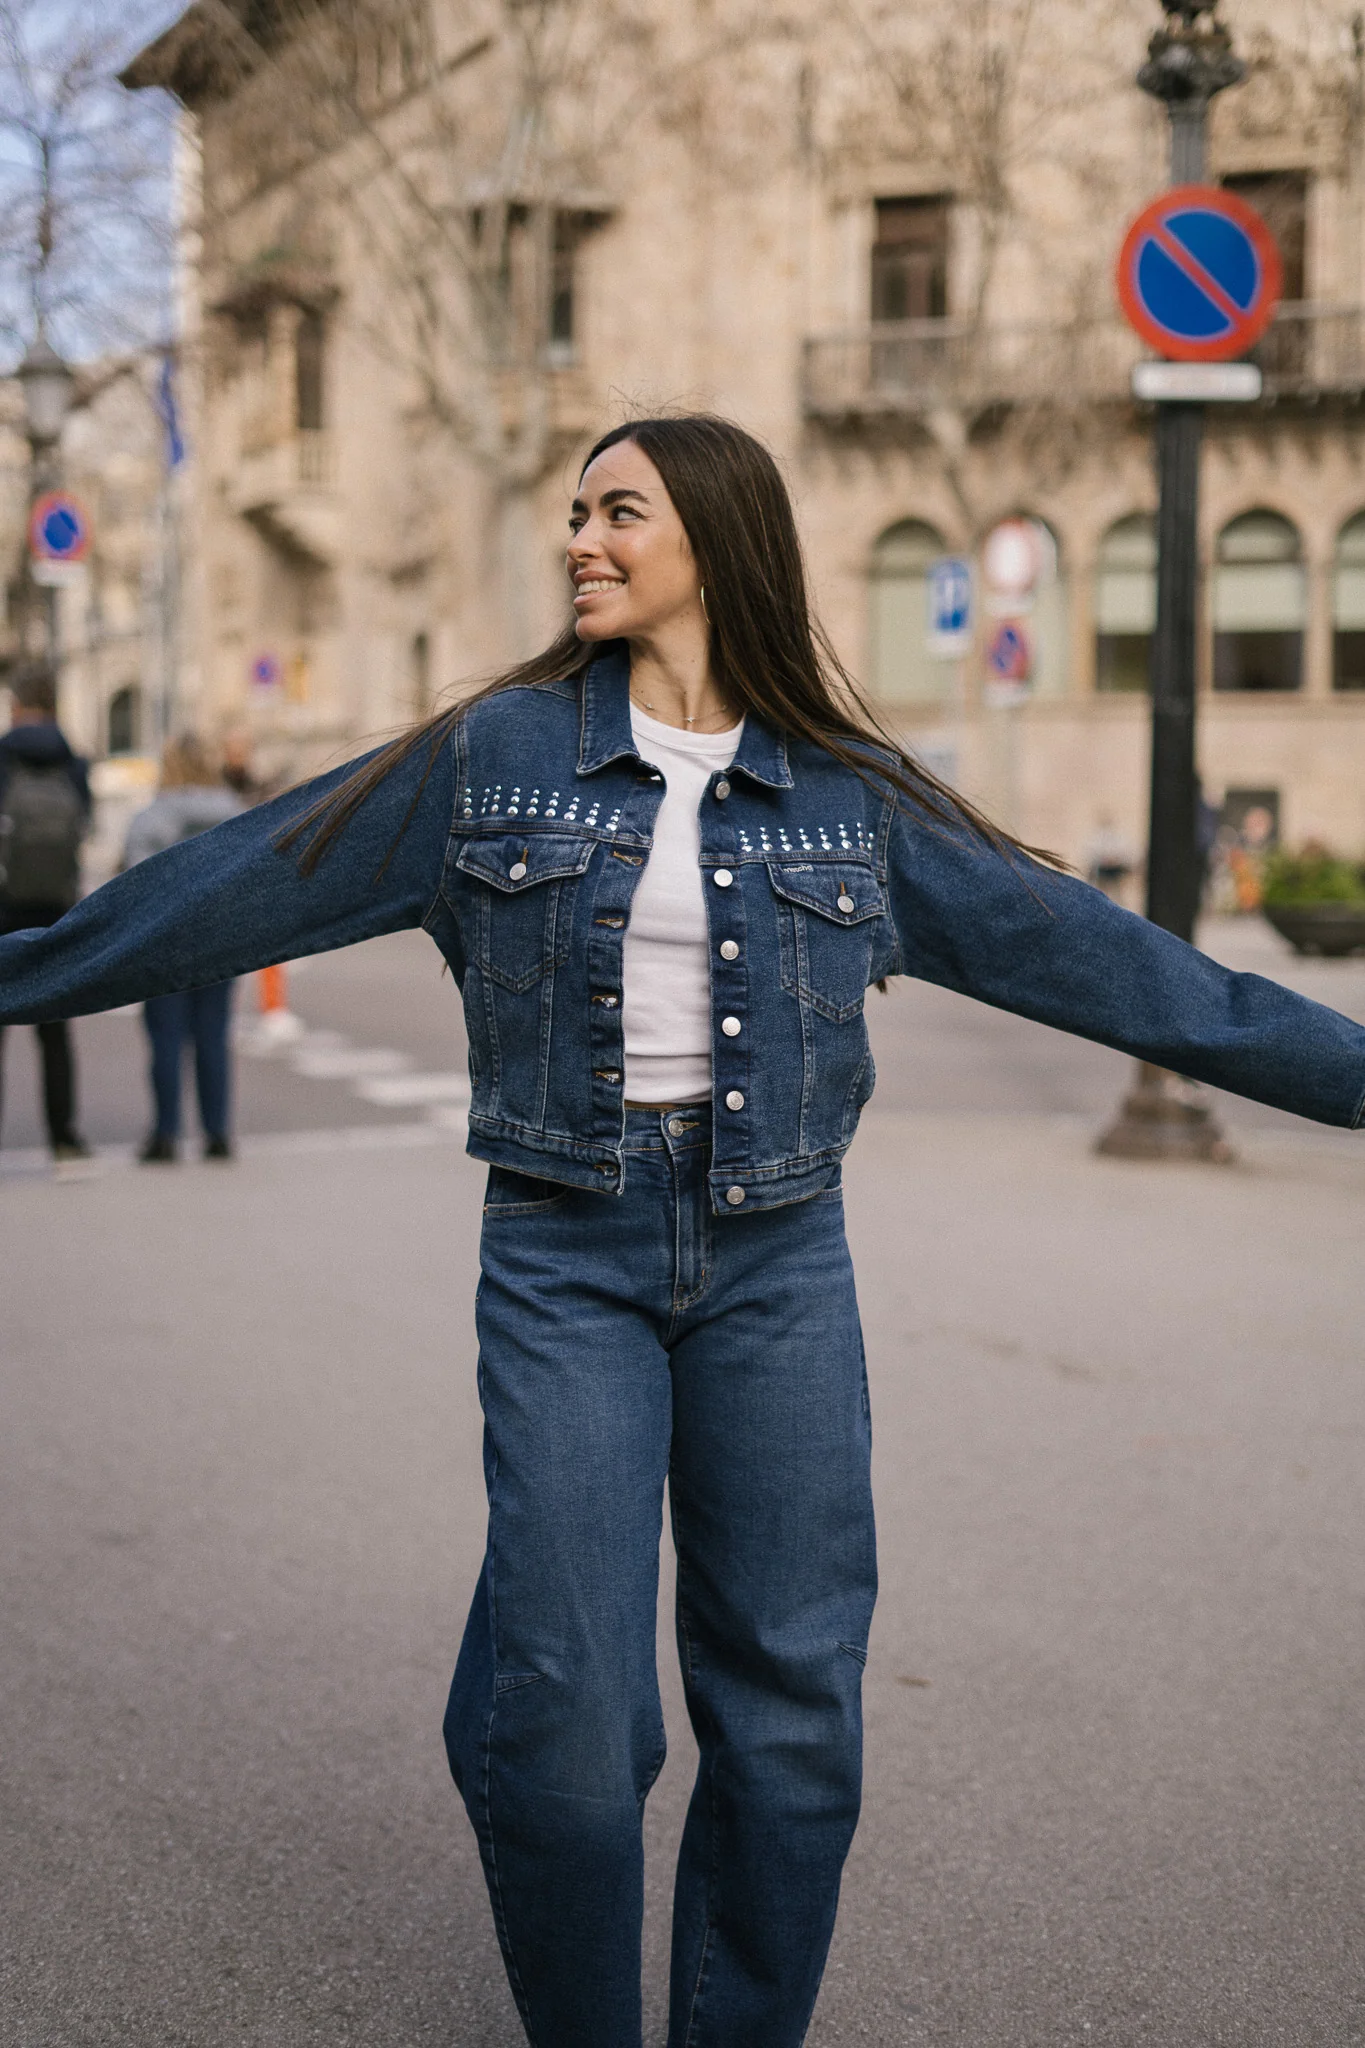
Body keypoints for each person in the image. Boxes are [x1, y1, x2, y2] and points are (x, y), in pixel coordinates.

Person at [1, 415, 1363, 2047]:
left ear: (717, 535)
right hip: (566, 1253)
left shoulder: (854, 802)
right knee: (576, 1738)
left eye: (618, 510)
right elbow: (222, 888)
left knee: (793, 1718)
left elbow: (1128, 971)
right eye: (576, 511)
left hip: (781, 1265)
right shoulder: (489, 753)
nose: (582, 536)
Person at [123, 735, 242, 1161]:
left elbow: (132, 885)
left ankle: (166, 1133)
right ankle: (217, 1133)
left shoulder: (151, 818)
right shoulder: (234, 813)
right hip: (221, 941)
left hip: (164, 942)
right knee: (213, 1037)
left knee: (166, 1040)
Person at [0, 657, 92, 1165]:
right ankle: (65, 1140)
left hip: (2, 907)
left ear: (16, 706)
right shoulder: (74, 762)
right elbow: (85, 827)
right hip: (56, 910)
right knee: (55, 1034)